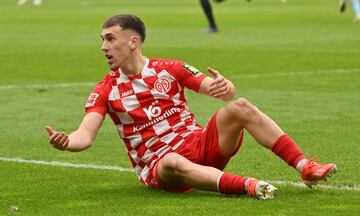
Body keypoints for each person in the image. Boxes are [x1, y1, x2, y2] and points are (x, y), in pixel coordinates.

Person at [45, 14, 337, 200]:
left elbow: (220, 92)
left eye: (110, 39)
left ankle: (305, 166)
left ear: (133, 42)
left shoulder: (169, 69)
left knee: (241, 106)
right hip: (161, 168)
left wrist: (227, 87)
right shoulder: (105, 90)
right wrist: (66, 141)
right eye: (102, 40)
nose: (103, 47)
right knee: (172, 161)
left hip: (199, 146)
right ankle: (248, 185)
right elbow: (84, 136)